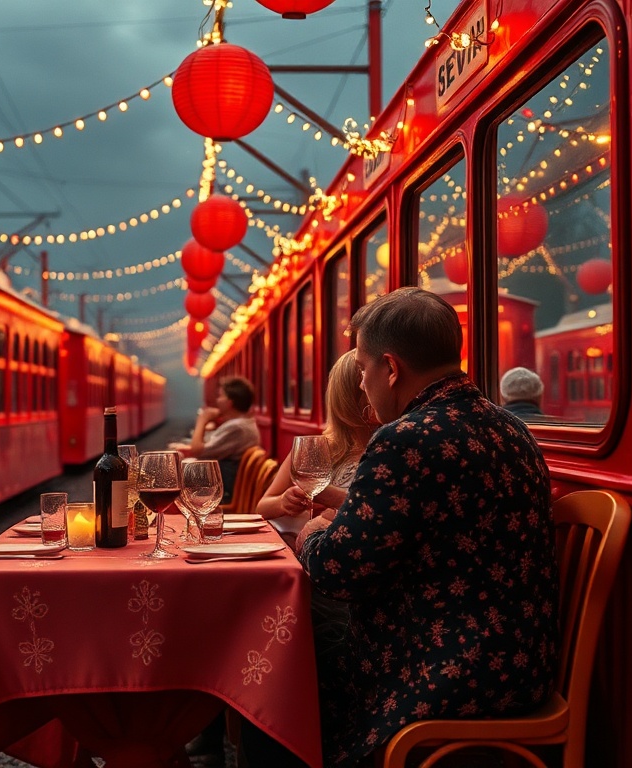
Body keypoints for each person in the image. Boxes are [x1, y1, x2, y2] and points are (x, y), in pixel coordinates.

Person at [281, 288, 560, 767]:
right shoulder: (511, 427)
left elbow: (336, 573)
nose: (362, 384)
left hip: (445, 671)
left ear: (391, 369)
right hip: (523, 665)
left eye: (363, 369)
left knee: (279, 654)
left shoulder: (405, 439)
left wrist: (310, 535)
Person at [255, 350, 375, 550]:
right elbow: (262, 506)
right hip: (307, 550)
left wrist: (332, 498)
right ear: (350, 397)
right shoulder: (318, 448)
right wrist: (284, 502)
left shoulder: (389, 447)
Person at [169, 375, 260, 503]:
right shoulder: (243, 423)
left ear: (229, 402)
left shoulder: (237, 427)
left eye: (221, 396)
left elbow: (197, 451)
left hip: (226, 489)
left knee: (175, 472)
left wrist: (202, 420)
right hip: (229, 482)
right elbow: (209, 447)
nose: (217, 400)